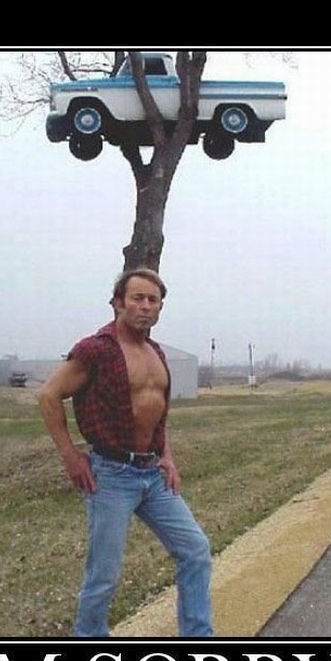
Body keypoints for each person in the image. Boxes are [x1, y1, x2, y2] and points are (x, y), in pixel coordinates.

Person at [39, 268, 213, 637]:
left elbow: (155, 412)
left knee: (195, 550)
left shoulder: (156, 352)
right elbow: (48, 395)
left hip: (153, 474)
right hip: (111, 475)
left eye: (153, 300)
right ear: (118, 303)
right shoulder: (96, 350)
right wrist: (71, 456)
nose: (145, 306)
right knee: (104, 574)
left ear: (160, 307)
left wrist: (167, 456)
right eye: (137, 298)